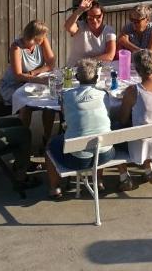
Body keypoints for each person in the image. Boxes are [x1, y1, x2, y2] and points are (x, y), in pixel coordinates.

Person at [45, 57, 123, 199]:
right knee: (100, 135)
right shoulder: (104, 94)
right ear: (97, 78)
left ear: (76, 77)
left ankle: (54, 188)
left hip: (78, 159)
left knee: (50, 144)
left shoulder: (67, 95)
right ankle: (98, 181)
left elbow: (65, 115)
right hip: (105, 155)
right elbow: (107, 115)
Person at [0, 20, 57, 148]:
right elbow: (18, 76)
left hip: (33, 81)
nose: (43, 40)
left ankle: (47, 138)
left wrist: (33, 73)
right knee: (26, 106)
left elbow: (51, 64)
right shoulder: (16, 47)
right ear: (34, 37)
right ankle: (22, 142)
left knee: (49, 103)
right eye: (41, 38)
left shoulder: (42, 41)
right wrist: (38, 78)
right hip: (14, 84)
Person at [118, 49, 152, 184]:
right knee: (144, 123)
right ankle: (148, 168)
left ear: (137, 69)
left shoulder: (133, 91)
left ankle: (124, 176)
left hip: (140, 146)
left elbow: (122, 120)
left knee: (113, 129)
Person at [65, 0, 117, 64]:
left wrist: (86, 62)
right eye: (90, 17)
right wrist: (80, 9)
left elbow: (110, 56)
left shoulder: (109, 31)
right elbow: (68, 26)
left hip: (98, 70)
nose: (94, 20)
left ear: (103, 15)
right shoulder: (80, 26)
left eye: (98, 16)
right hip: (75, 69)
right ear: (86, 17)